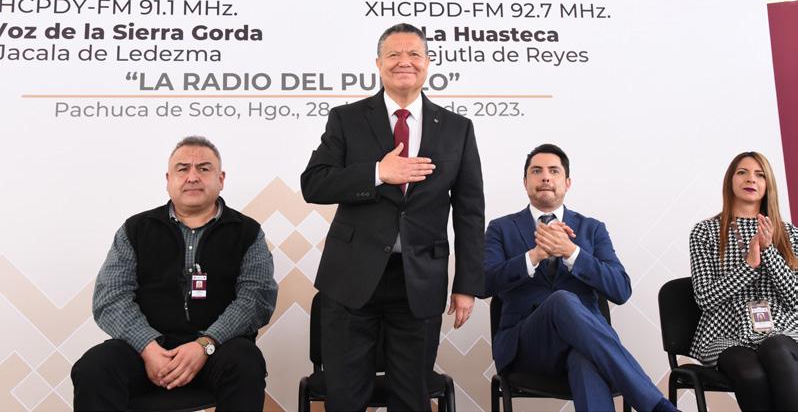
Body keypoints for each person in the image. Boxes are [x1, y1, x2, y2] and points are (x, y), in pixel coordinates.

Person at [301, 23, 485, 411]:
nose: (405, 62)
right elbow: (314, 184)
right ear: (378, 64)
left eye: (414, 54)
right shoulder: (347, 119)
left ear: (428, 63)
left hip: (419, 280)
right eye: (394, 54)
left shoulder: (457, 129)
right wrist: (376, 173)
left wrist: (467, 284)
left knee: (412, 398)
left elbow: (470, 212)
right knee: (346, 398)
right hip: (351, 277)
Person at [71, 136, 278, 412]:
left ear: (221, 179)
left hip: (217, 351)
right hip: (145, 353)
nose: (192, 177)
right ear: (168, 180)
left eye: (204, 168)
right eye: (183, 169)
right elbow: (111, 297)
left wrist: (205, 345)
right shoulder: (135, 229)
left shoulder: (248, 232)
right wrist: (147, 347)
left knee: (245, 361)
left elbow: (256, 300)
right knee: (95, 366)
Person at [485, 144, 677, 412]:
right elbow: (484, 283)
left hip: (585, 344)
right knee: (561, 300)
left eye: (554, 171)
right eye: (536, 171)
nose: (545, 177)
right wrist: (534, 255)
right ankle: (657, 406)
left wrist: (572, 253)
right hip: (526, 348)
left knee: (584, 360)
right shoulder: (501, 228)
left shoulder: (592, 229)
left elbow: (621, 290)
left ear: (567, 182)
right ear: (525, 181)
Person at [689, 151, 798, 411]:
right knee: (752, 374)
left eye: (760, 175)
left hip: (782, 331)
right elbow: (705, 298)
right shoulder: (705, 232)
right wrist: (748, 266)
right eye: (742, 172)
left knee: (775, 349)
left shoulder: (790, 233)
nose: (751, 179)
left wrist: (769, 252)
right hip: (726, 334)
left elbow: (795, 299)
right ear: (730, 180)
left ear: (768, 184)